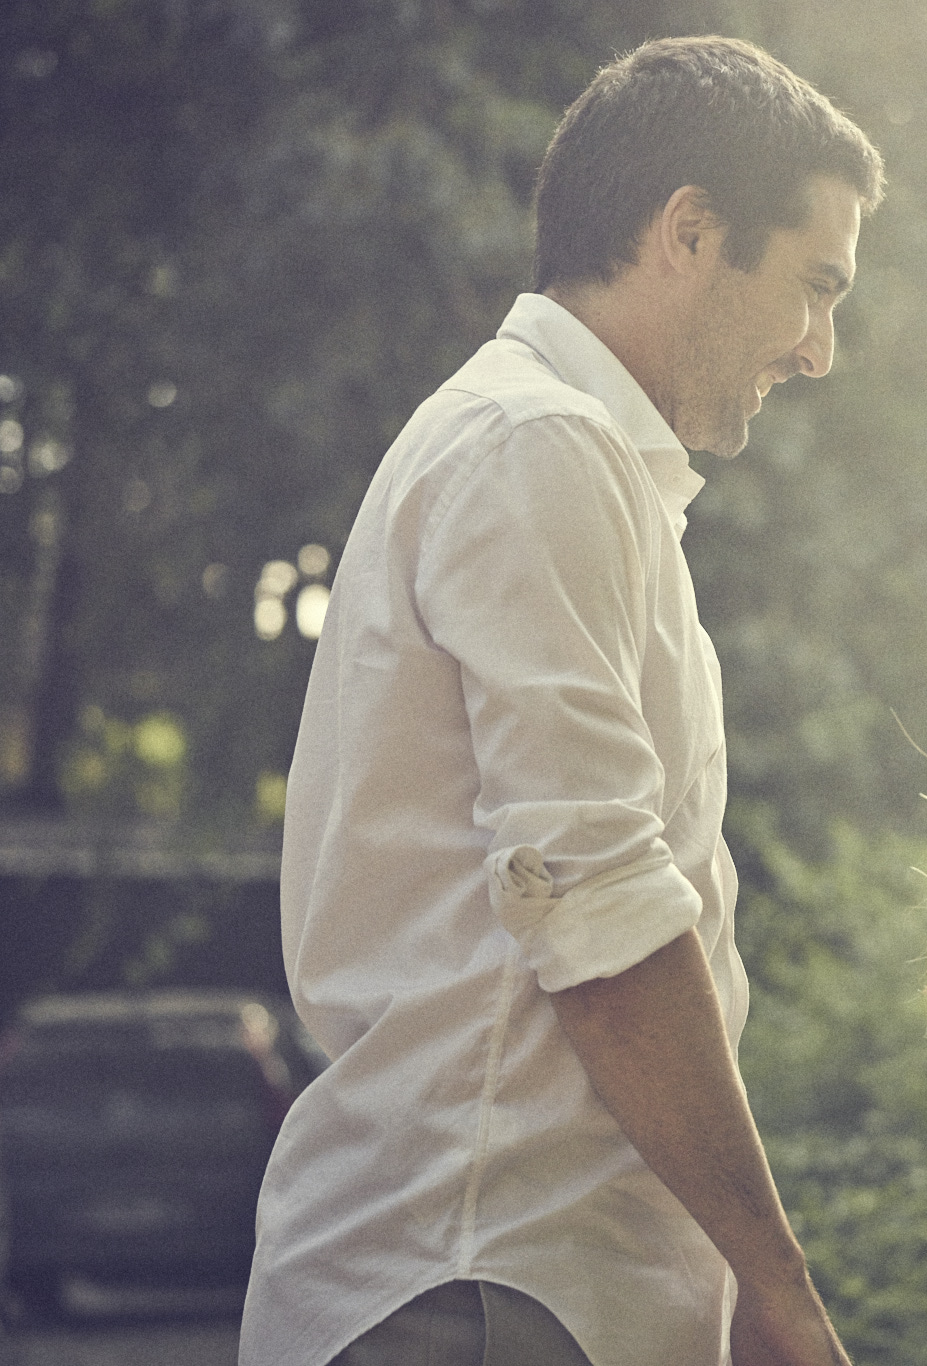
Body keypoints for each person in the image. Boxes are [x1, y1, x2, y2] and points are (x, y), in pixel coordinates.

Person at [241, 37, 883, 1366]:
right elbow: (592, 905)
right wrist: (780, 1283)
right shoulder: (540, 448)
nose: (821, 351)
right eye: (815, 287)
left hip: (514, 1279)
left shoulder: (574, 460)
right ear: (689, 233)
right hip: (482, 1283)